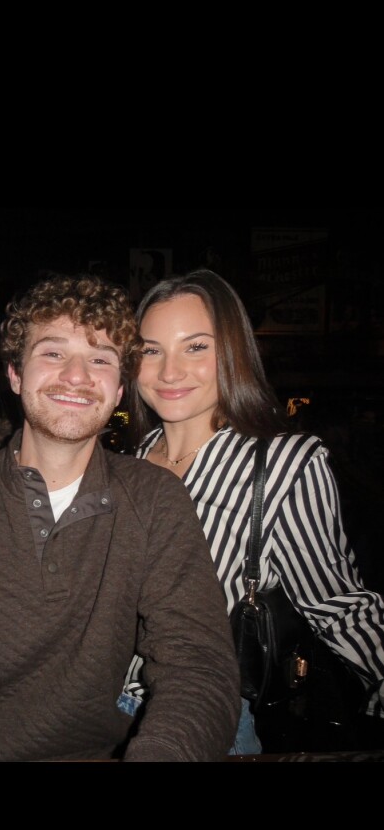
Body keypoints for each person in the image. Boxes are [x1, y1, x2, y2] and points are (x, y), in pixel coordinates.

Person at [0, 275, 241, 762]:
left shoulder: (155, 499)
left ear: (119, 389)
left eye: (100, 359)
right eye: (53, 353)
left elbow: (198, 664)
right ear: (14, 374)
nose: (76, 376)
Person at [122, 268, 384, 753]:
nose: (169, 372)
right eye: (151, 350)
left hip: (210, 721)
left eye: (195, 347)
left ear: (234, 352)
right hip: (108, 714)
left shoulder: (283, 464)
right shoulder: (129, 463)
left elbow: (340, 607)